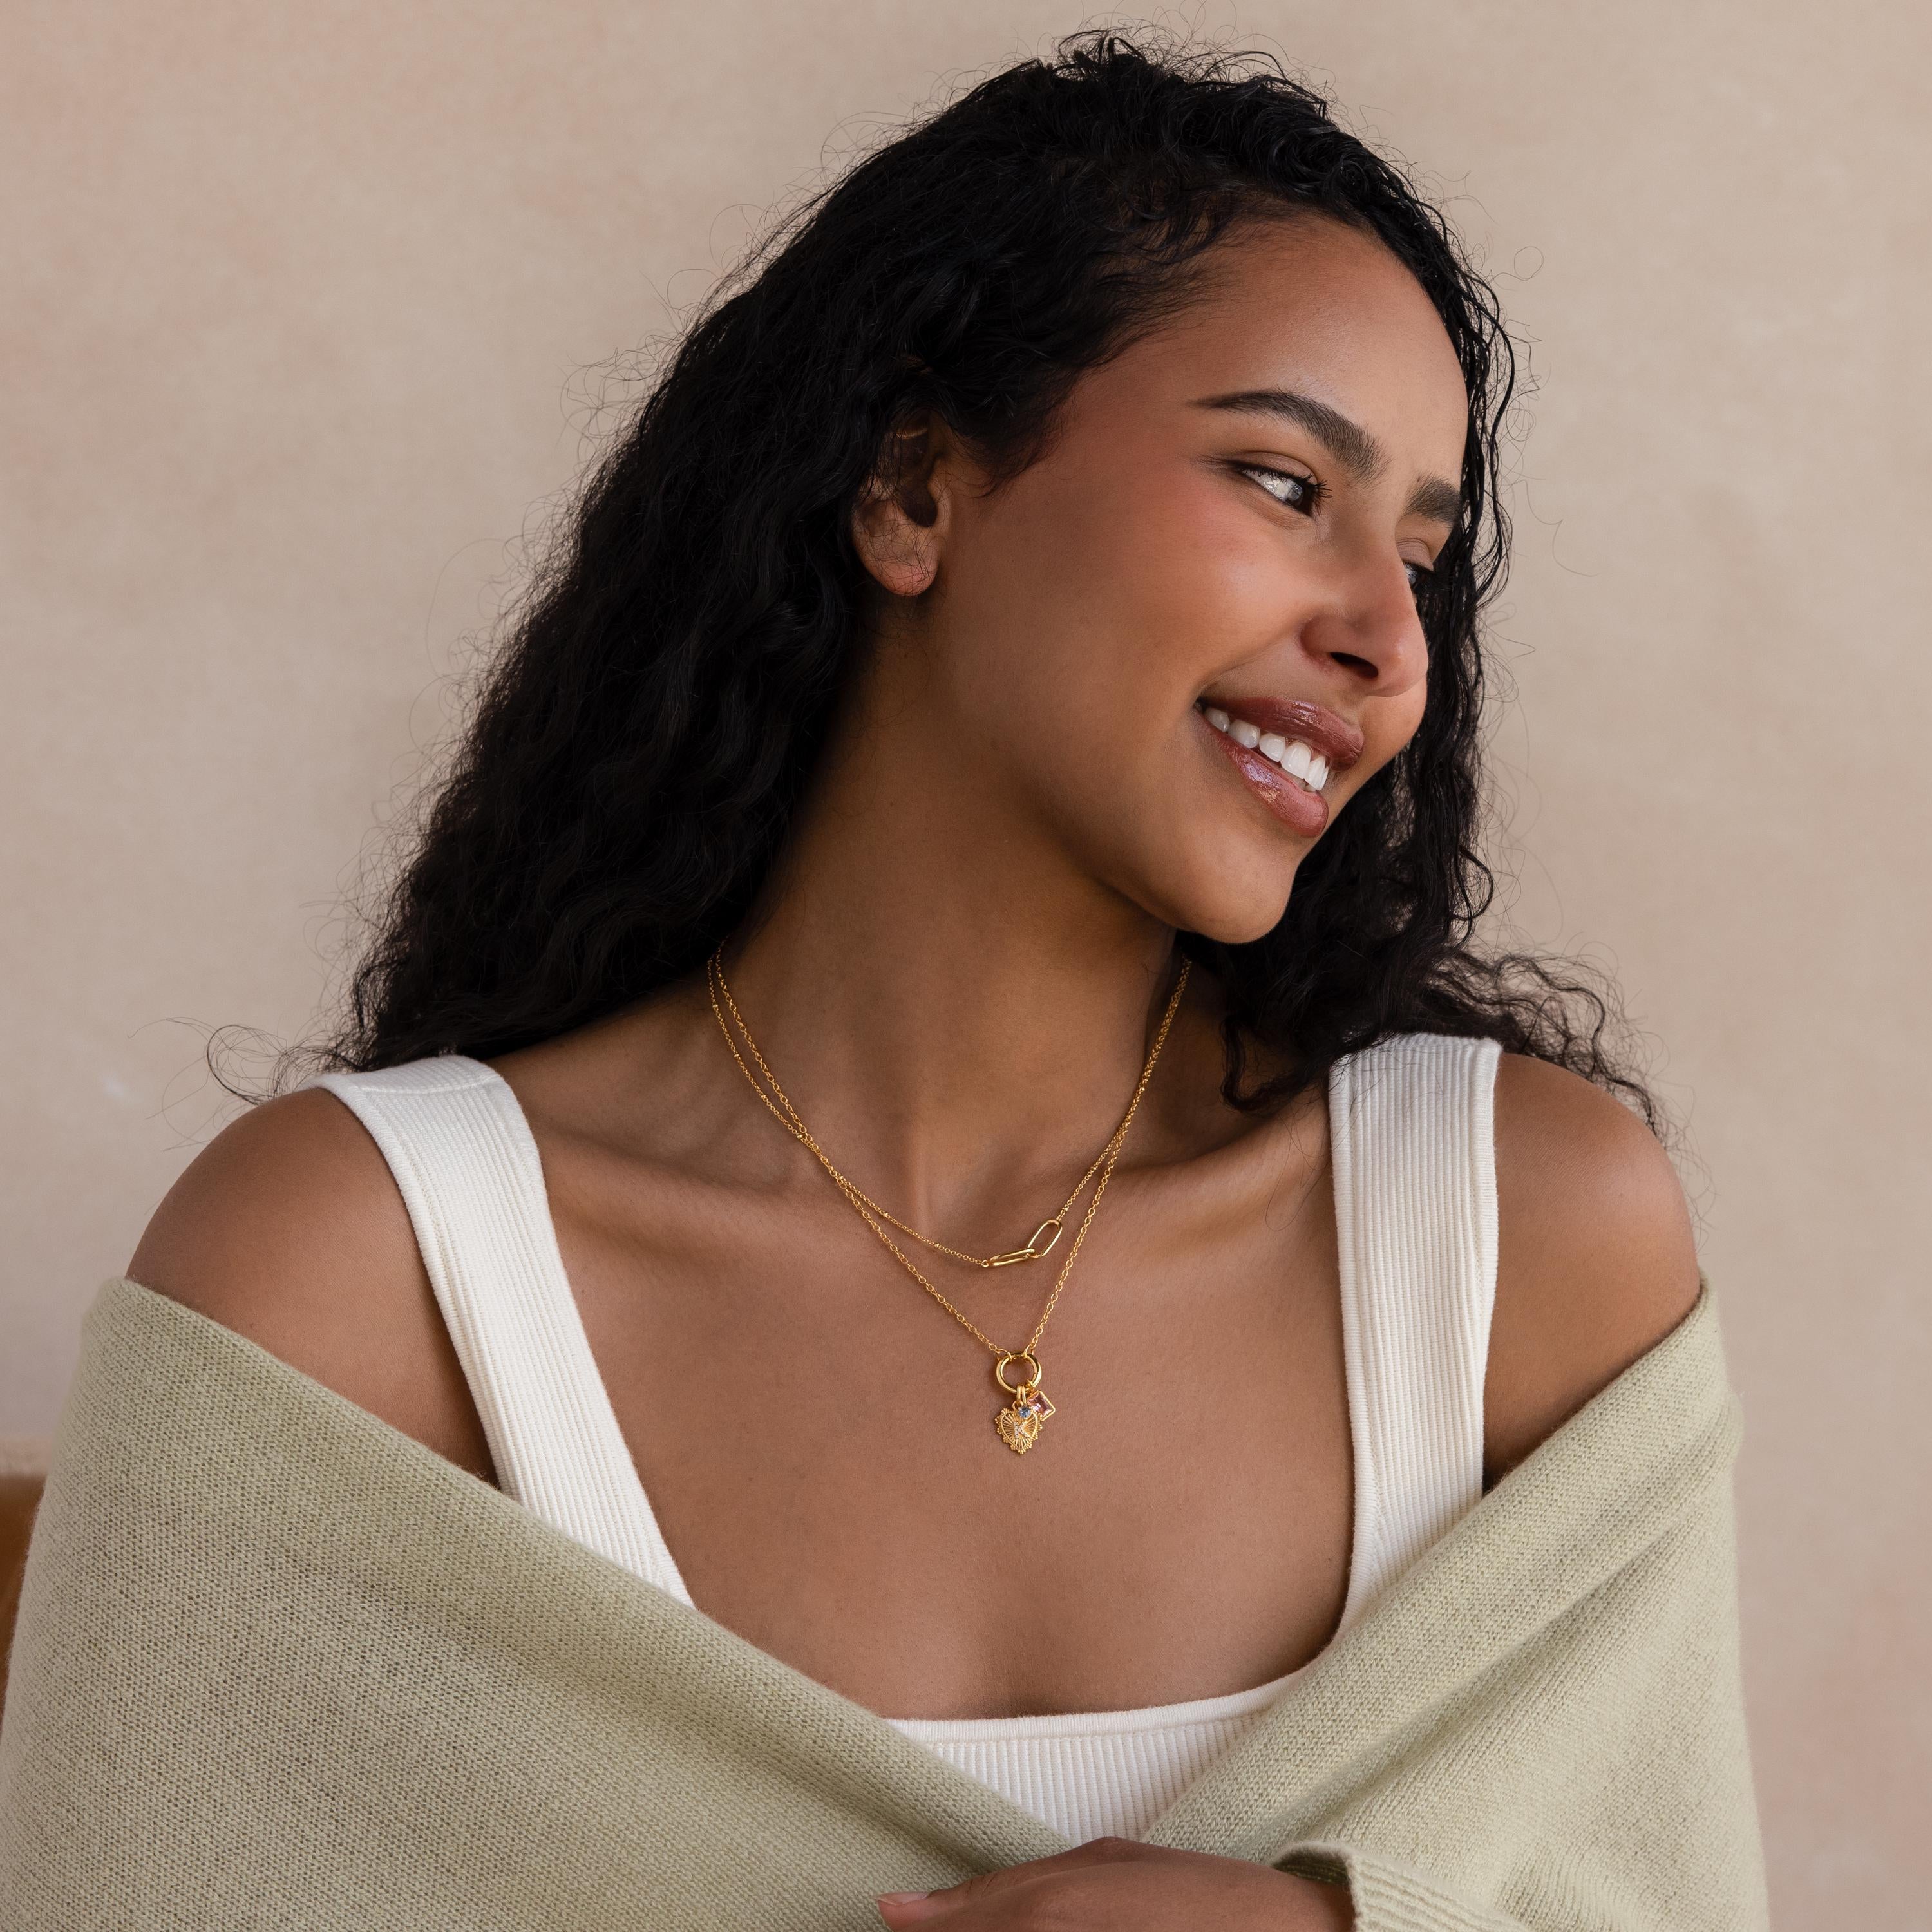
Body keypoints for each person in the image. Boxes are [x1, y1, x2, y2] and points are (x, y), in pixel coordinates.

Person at [33, 33, 1753, 1931]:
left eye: (1424, 559)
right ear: (915, 485)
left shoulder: (1522, 1252)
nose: (1384, 643)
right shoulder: (362, 1284)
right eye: (1283, 484)